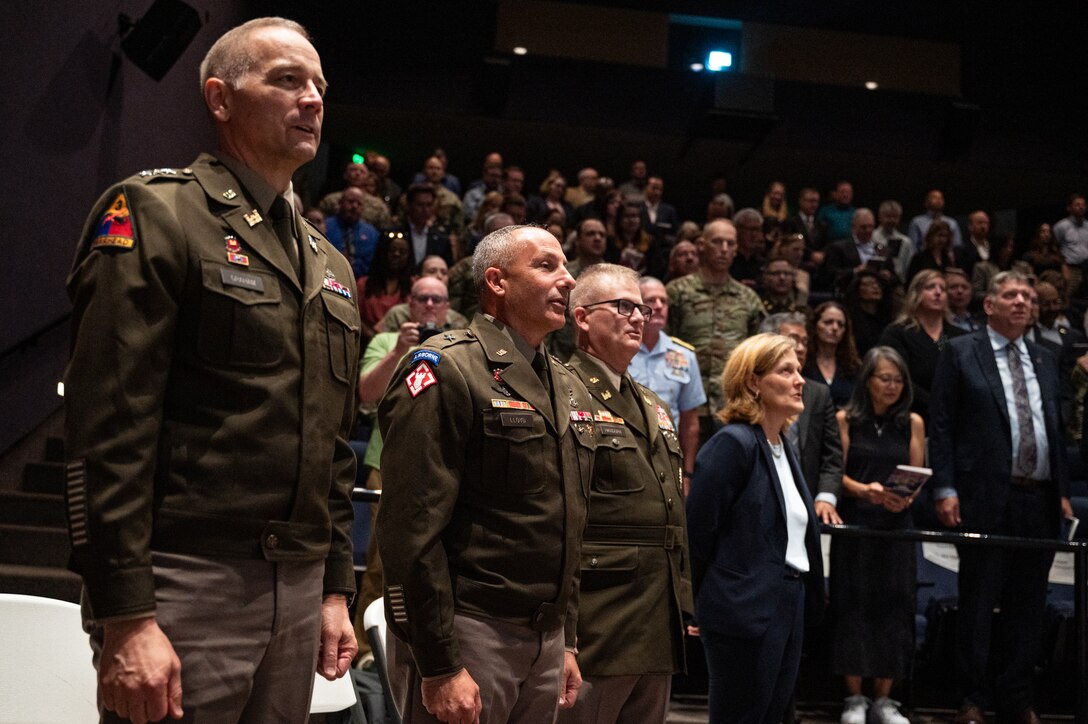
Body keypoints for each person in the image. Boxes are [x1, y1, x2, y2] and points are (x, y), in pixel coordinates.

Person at [64, 17, 359, 723]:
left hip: (297, 590)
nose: (312, 99)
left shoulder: (329, 264)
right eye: (286, 80)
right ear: (221, 99)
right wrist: (126, 613)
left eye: (319, 85)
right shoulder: (157, 213)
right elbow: (109, 428)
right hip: (185, 580)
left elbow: (332, 447)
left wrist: (333, 588)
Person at [376, 225, 597, 723]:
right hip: (470, 633)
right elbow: (411, 527)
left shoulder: (566, 383)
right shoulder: (446, 367)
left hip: (545, 639)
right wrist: (440, 663)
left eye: (566, 267)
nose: (568, 280)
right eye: (546, 266)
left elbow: (567, 523)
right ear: (497, 282)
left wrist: (566, 639)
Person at [930, 271, 1073, 724]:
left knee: (1028, 605)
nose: (1021, 302)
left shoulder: (1047, 357)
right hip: (983, 495)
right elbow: (941, 425)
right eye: (1011, 294)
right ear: (989, 305)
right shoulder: (960, 351)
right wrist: (945, 487)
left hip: (1040, 498)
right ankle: (971, 698)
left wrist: (1062, 492)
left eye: (1027, 296)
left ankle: (1016, 696)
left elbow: (1054, 429)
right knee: (978, 601)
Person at [559, 264, 692, 724]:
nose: (638, 316)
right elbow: (561, 518)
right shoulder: (560, 390)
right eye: (623, 306)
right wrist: (564, 632)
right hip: (599, 618)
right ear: (582, 318)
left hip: (656, 615)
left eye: (642, 308)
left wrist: (683, 602)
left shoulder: (653, 404)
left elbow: (672, 513)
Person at [687, 333, 824, 724]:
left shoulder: (783, 445)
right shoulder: (733, 443)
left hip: (788, 600)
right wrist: (693, 607)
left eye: (799, 370)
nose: (800, 379)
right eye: (786, 371)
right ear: (753, 382)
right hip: (743, 607)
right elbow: (698, 532)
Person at [351, 275, 459, 661]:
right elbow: (366, 393)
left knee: (439, 563)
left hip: (444, 468)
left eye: (437, 300)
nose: (430, 305)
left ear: (447, 308)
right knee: (383, 561)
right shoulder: (385, 342)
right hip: (388, 464)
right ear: (409, 304)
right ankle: (367, 649)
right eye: (422, 298)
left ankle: (423, 647)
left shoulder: (459, 348)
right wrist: (399, 350)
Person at [831, 348, 925, 724]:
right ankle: (854, 697)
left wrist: (905, 497)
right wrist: (863, 490)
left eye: (899, 380)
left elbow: (917, 474)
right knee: (852, 605)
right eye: (885, 378)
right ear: (867, 380)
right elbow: (834, 473)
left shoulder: (912, 422)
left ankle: (885, 699)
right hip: (857, 522)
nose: (892, 386)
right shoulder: (846, 419)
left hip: (897, 526)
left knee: (895, 607)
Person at [667, 218, 766, 441]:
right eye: (717, 242)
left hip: (731, 403)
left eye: (730, 243)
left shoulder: (748, 298)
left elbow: (758, 356)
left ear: (736, 249)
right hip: (685, 401)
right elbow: (663, 343)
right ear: (702, 245)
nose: (724, 249)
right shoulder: (677, 292)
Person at [760, 313, 844, 526]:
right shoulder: (753, 396)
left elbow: (832, 456)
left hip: (806, 505)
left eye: (805, 342)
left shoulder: (818, 393)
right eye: (793, 340)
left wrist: (826, 497)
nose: (800, 348)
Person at [630, 276, 707, 491]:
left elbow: (690, 422)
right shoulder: (620, 349)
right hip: (629, 453)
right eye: (650, 300)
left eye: (663, 301)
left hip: (669, 457)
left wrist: (687, 473)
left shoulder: (683, 355)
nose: (659, 306)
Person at [878, 269, 965, 422]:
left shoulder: (957, 335)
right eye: (930, 287)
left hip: (955, 416)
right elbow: (898, 376)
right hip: (909, 415)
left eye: (943, 289)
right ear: (916, 294)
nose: (938, 293)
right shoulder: (898, 333)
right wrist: (935, 404)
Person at [357, 230, 414, 339]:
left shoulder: (414, 286)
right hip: (366, 340)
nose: (396, 254)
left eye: (402, 252)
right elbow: (355, 317)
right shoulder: (363, 284)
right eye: (392, 250)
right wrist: (374, 338)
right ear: (383, 253)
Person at [804, 301, 860, 409]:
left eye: (840, 324)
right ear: (815, 326)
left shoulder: (853, 366)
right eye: (828, 322)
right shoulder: (803, 362)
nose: (835, 328)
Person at [325, 185, 380, 279]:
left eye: (359, 203)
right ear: (340, 203)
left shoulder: (372, 234)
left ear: (363, 208)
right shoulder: (326, 226)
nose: (354, 206)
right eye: (350, 201)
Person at [844, 270, 895, 355]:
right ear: (857, 290)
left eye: (878, 284)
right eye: (868, 284)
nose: (875, 287)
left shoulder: (887, 319)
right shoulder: (850, 320)